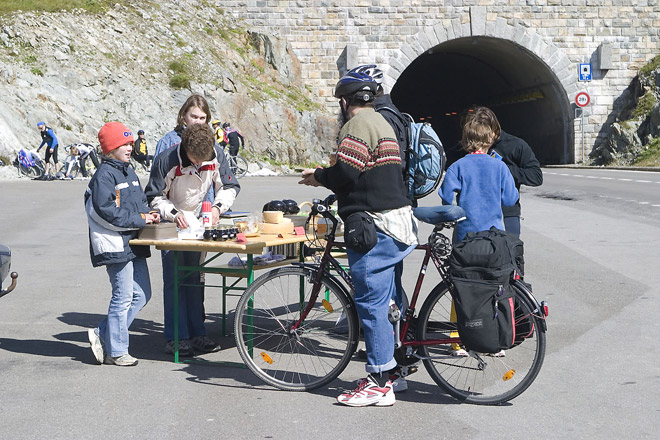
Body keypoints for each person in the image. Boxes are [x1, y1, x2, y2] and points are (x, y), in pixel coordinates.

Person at [299, 68, 417, 407]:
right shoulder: (381, 122)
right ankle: (392, 373)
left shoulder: (357, 125)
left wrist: (318, 176)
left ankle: (379, 380)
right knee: (387, 302)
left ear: (343, 101)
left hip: (376, 226)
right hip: (396, 222)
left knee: (372, 303)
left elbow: (348, 171)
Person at [146, 123, 240, 357]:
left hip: (199, 224)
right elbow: (153, 196)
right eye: (194, 160)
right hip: (171, 225)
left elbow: (230, 185)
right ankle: (176, 337)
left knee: (196, 278)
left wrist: (218, 207)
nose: (198, 164)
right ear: (184, 147)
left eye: (202, 160)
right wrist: (174, 214)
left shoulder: (216, 153)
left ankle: (198, 333)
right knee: (175, 280)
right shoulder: (166, 160)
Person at [85, 122, 160, 367]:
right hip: (114, 244)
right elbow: (106, 211)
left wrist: (152, 213)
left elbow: (138, 205)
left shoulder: (129, 170)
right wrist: (140, 219)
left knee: (142, 294)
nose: (130, 147)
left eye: (130, 143)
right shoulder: (104, 175)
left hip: (133, 242)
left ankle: (102, 333)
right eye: (124, 144)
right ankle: (117, 352)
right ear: (110, 148)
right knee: (123, 296)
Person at [439, 106, 519, 242]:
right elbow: (510, 200)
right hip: (493, 236)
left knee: (460, 261)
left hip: (465, 235)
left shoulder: (457, 167)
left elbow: (447, 198)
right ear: (490, 139)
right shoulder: (500, 167)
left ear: (465, 140)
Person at [488, 129, 543, 236]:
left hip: (507, 213)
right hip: (476, 214)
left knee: (509, 250)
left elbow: (536, 177)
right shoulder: (470, 146)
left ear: (493, 129)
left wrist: (504, 170)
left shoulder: (516, 145)